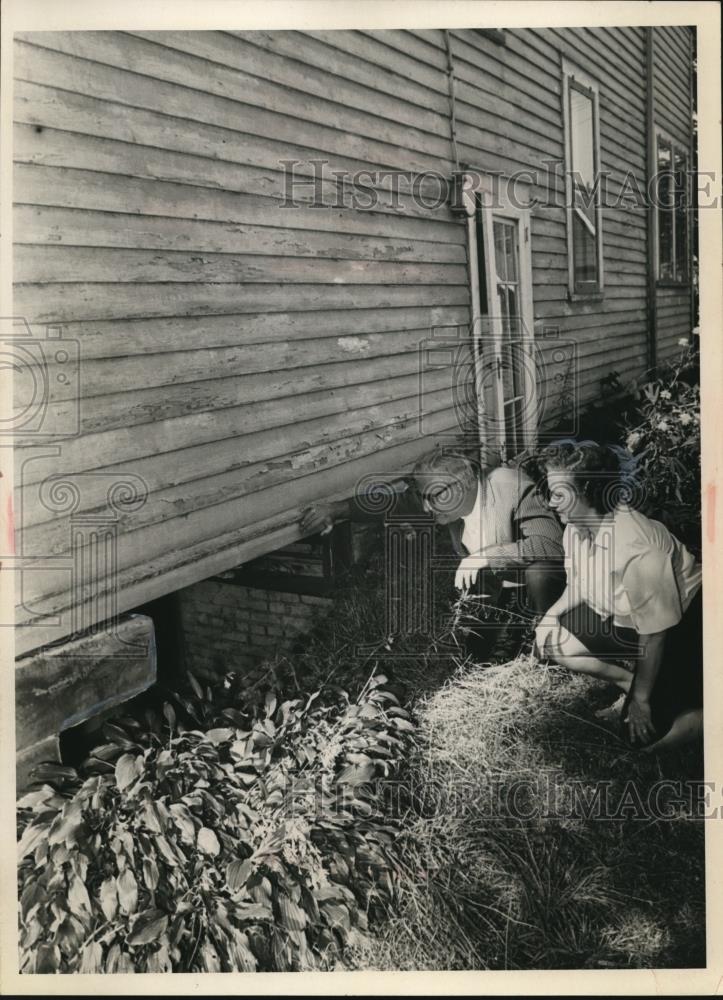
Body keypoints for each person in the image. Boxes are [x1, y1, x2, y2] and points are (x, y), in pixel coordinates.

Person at [534, 440, 703, 752]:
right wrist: (549, 618)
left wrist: (642, 701)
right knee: (552, 642)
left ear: (587, 492)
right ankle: (629, 681)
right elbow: (578, 586)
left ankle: (696, 714)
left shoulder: (636, 547)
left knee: (643, 737)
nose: (550, 503)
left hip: (685, 621)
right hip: (630, 621)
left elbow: (655, 635)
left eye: (558, 494)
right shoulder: (575, 526)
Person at [300, 447, 566, 617]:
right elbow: (392, 504)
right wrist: (336, 509)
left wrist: (484, 556)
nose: (427, 507)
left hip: (547, 587)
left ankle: (549, 635)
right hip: (501, 590)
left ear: (464, 483)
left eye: (434, 496)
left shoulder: (512, 487)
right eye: (423, 497)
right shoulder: (439, 494)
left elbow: (553, 545)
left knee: (540, 572)